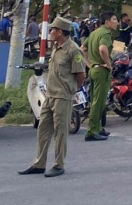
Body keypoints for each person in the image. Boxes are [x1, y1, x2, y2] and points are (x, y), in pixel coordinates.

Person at [19, 16, 86, 178]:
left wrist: (73, 90)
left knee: (60, 132)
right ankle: (39, 163)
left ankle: (58, 164)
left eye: (53, 30)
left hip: (63, 96)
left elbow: (81, 74)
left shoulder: (73, 50)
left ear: (61, 32)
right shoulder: (57, 47)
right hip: (50, 94)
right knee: (43, 129)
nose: (50, 32)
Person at [83, 10, 118, 141]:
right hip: (101, 71)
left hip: (93, 70)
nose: (117, 22)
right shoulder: (106, 33)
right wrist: (108, 64)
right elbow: (103, 49)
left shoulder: (94, 33)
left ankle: (98, 128)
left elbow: (82, 49)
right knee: (99, 102)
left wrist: (89, 64)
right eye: (114, 19)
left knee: (96, 101)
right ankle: (91, 131)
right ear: (107, 21)